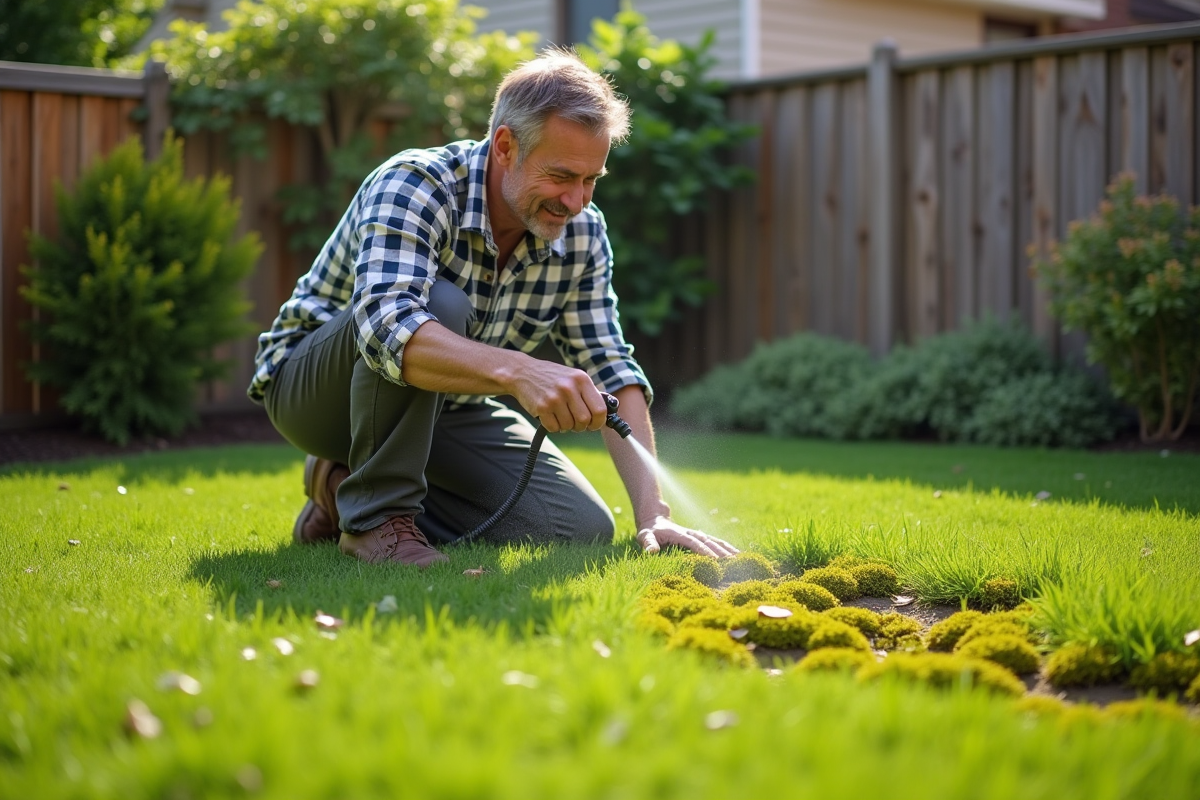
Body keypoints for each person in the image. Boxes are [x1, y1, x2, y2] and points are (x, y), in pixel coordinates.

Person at [247, 50, 738, 567]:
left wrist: (652, 512)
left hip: (447, 406)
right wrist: (520, 371)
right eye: (561, 175)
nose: (576, 201)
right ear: (506, 145)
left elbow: (610, 365)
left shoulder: (584, 234)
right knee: (438, 303)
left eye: (591, 179)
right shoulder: (418, 183)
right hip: (313, 390)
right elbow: (386, 327)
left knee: (576, 527)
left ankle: (338, 485)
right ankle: (375, 519)